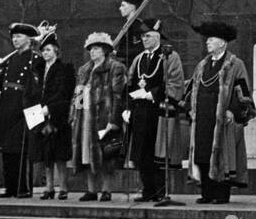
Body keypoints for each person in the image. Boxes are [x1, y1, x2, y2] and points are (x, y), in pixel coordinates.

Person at [186, 21, 253, 204]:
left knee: (222, 155)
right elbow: (192, 89)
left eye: (212, 39)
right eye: (207, 39)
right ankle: (207, 192)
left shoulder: (235, 64)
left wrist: (233, 110)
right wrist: (191, 109)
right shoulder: (202, 65)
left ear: (222, 43)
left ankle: (221, 194)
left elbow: (243, 91)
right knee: (203, 153)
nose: (207, 42)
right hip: (203, 116)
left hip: (222, 118)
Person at [0, 22, 43, 198]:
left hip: (25, 108)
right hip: (8, 107)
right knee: (7, 148)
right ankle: (10, 187)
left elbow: (37, 89)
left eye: (19, 37)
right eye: (13, 37)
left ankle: (24, 188)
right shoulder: (11, 59)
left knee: (23, 149)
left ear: (29, 39)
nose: (15, 40)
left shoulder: (36, 59)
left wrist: (34, 114)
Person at [125, 20, 185, 203]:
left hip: (158, 111)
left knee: (158, 153)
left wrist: (152, 94)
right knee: (141, 152)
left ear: (157, 37)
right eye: (142, 37)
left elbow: (175, 83)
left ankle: (160, 191)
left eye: (148, 36)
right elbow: (130, 83)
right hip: (140, 111)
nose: (144, 39)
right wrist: (128, 107)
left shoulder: (169, 56)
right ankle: (147, 190)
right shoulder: (139, 58)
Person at [70, 32, 127, 201]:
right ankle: (91, 189)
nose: (92, 52)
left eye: (96, 48)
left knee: (106, 153)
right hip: (85, 117)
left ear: (104, 50)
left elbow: (118, 96)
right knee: (86, 152)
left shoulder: (115, 68)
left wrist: (114, 120)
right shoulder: (84, 70)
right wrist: (74, 115)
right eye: (90, 49)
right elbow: (78, 95)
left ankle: (106, 189)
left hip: (104, 116)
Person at [34, 32, 75, 200]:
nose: (45, 53)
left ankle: (63, 187)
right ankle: (49, 187)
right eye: (43, 50)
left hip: (58, 115)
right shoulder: (38, 69)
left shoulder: (65, 69)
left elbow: (64, 92)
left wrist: (50, 108)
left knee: (60, 154)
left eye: (49, 50)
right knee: (46, 154)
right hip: (40, 113)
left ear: (56, 51)